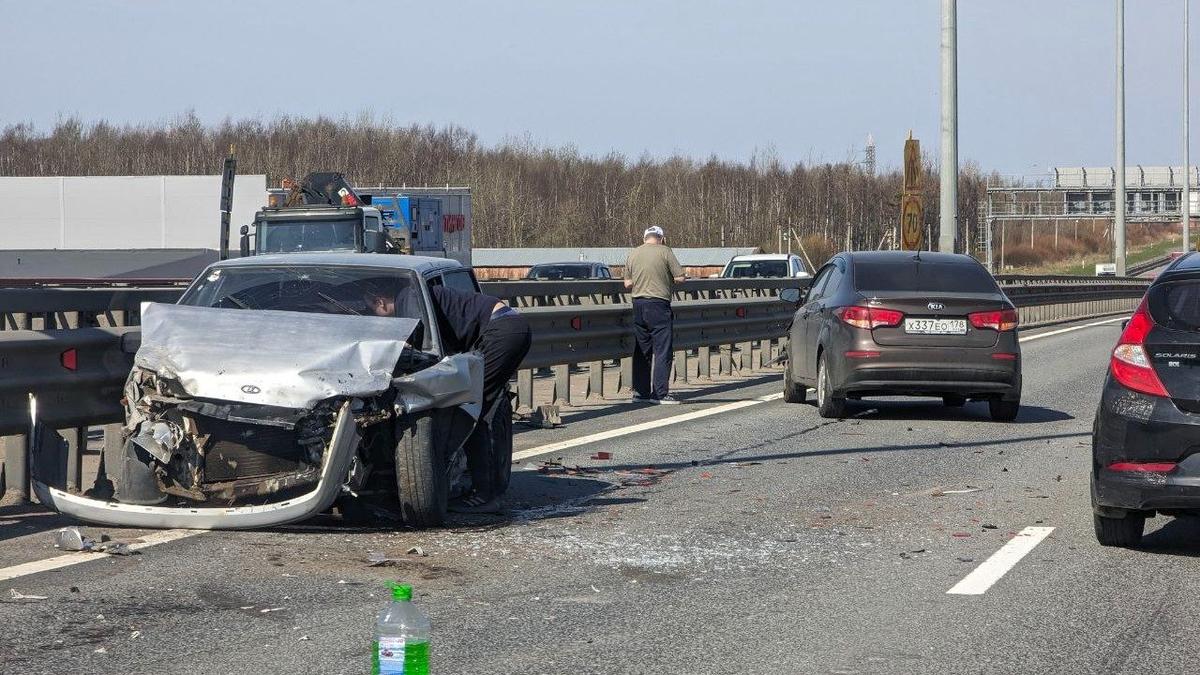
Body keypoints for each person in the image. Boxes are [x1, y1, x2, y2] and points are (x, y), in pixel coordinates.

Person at [363, 279, 531, 512]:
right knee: (474, 405)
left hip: (502, 331)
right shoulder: (412, 294)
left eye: (372, 310)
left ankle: (485, 496)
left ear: (379, 302)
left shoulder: (408, 301)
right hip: (507, 327)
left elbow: (420, 349)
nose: (378, 317)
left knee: (470, 407)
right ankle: (484, 489)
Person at [623, 225, 685, 404]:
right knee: (663, 349)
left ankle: (640, 393)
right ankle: (659, 394)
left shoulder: (633, 253)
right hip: (658, 304)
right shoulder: (665, 251)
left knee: (642, 350)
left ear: (644, 238)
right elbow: (680, 277)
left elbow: (627, 283)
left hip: (638, 305)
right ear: (662, 238)